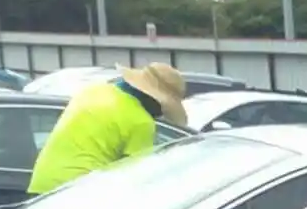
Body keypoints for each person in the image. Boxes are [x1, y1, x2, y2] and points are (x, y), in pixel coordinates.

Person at [26, 63, 189, 194]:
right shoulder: (142, 122)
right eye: (163, 106)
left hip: (41, 182)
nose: (160, 113)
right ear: (153, 99)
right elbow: (136, 177)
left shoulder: (94, 91)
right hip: (78, 192)